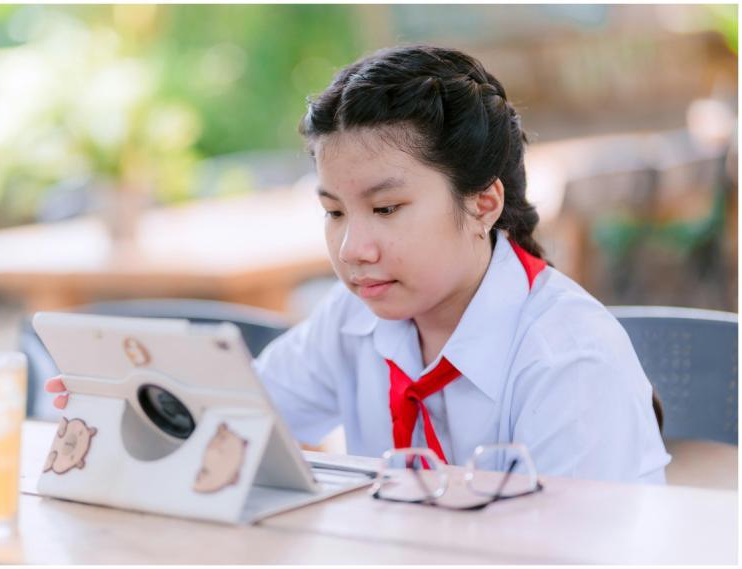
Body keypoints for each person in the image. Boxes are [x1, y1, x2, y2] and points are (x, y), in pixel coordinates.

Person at [47, 45, 670, 483]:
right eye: (335, 213)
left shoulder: (567, 361)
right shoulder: (354, 321)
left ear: (483, 204)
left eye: (387, 208)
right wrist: (137, 405)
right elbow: (238, 419)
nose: (352, 250)